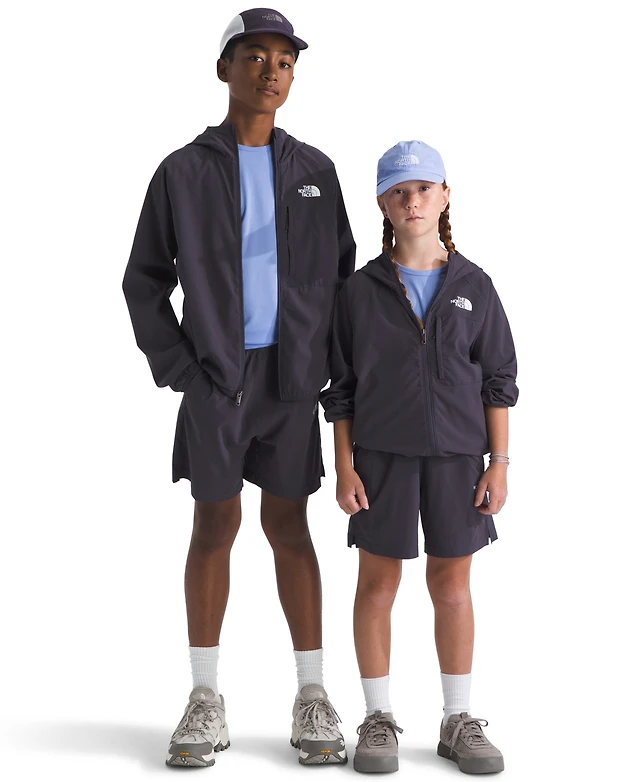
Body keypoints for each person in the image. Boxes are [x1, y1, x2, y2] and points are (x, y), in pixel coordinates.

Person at [122, 8, 355, 768]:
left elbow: (342, 278)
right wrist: (184, 371)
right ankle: (204, 697)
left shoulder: (316, 171)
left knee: (291, 528)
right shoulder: (182, 172)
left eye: (284, 61)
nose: (270, 72)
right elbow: (144, 281)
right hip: (217, 380)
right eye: (254, 57)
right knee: (213, 527)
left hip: (291, 382)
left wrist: (329, 372)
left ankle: (313, 692)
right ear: (224, 68)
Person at [319, 140, 518, 774]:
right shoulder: (358, 291)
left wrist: (498, 462)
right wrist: (344, 465)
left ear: (445, 196)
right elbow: (341, 388)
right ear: (383, 203)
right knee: (377, 586)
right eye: (399, 191)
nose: (412, 201)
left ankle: (458, 719)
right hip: (381, 458)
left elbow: (498, 381)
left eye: (424, 188)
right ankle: (377, 719)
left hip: (459, 459)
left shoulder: (474, 286)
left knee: (451, 587)